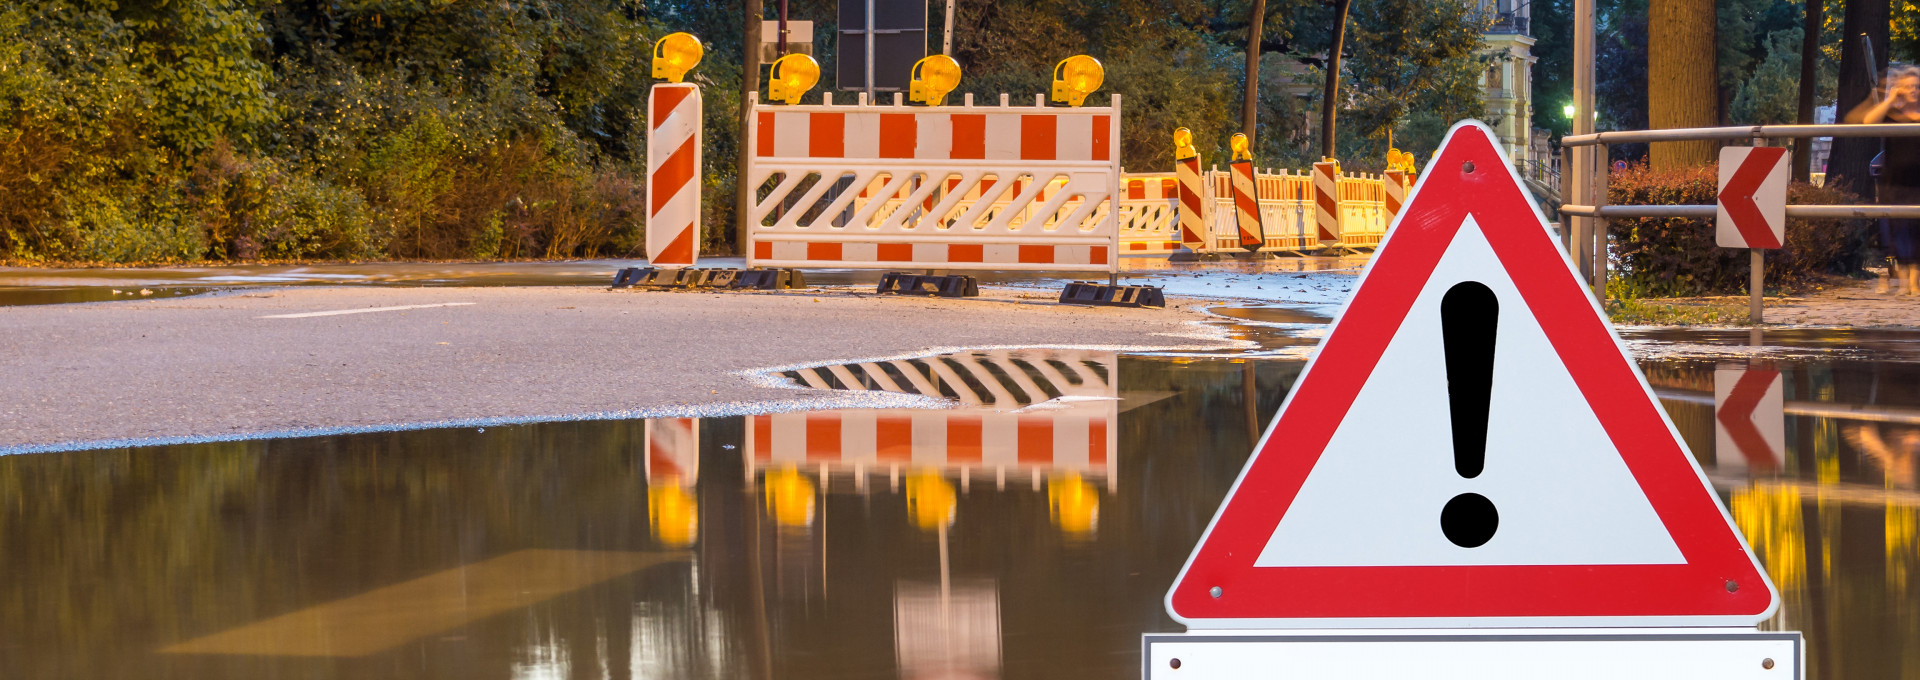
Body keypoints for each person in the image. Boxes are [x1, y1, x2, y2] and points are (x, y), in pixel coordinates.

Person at [1847, 64, 1920, 295]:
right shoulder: (1892, 115)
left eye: (1917, 86)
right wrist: (1889, 99)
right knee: (1898, 229)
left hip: (1918, 181)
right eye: (1908, 86)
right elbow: (1868, 121)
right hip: (1893, 181)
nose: (1913, 90)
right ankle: (1905, 278)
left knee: (1917, 229)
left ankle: (1914, 282)